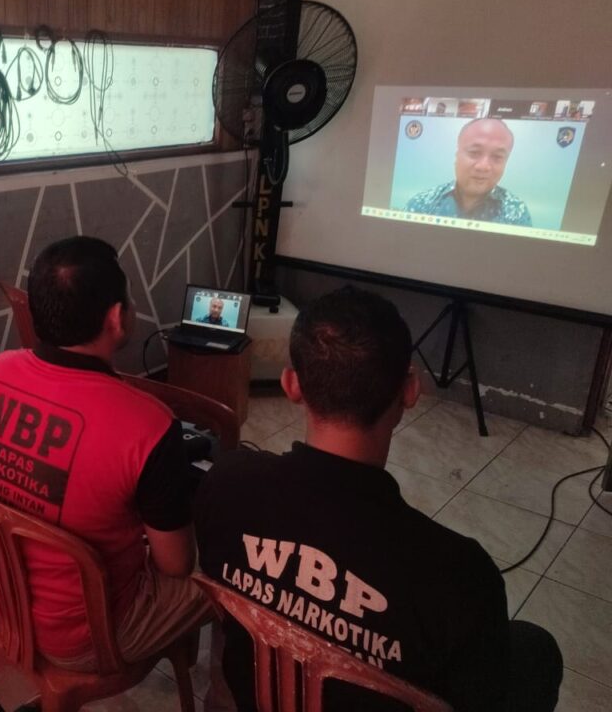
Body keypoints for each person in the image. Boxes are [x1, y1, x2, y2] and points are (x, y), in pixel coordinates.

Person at [195, 286, 562, 712]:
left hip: (253, 698)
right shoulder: (461, 574)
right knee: (535, 649)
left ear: (291, 384)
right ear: (409, 389)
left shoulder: (225, 483)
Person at [0, 236, 211, 669]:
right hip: (90, 635)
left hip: (0, 601)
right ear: (116, 317)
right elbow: (174, 564)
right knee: (232, 577)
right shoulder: (149, 423)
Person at [405, 118, 532, 225]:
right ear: (457, 155)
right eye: (474, 152)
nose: (483, 166)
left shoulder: (516, 212)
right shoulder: (422, 205)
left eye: (497, 157)